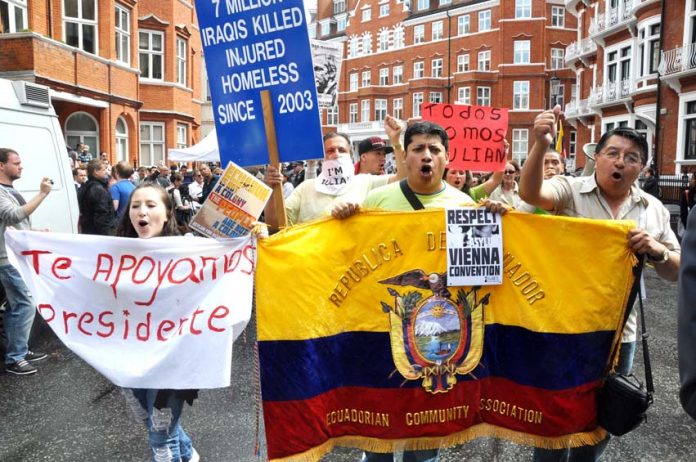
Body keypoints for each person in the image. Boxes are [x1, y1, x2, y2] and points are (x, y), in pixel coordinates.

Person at [332, 122, 506, 462]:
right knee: (379, 434)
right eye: (418, 149)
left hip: (438, 340)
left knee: (425, 440)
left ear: (447, 158)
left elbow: (480, 277)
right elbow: (350, 259)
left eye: (435, 149)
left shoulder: (465, 207)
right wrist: (343, 218)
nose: (427, 156)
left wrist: (499, 222)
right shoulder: (377, 200)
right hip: (385, 330)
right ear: (405, 156)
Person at [520, 106, 680, 461]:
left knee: (602, 415)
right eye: (613, 153)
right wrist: (539, 144)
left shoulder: (653, 209)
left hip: (620, 335)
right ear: (598, 157)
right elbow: (531, 194)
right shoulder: (570, 191)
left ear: (643, 169)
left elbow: (676, 271)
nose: (620, 162)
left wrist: (657, 251)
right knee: (554, 415)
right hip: (563, 328)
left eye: (631, 158)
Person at [115, 183, 200, 462]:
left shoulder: (189, 250)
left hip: (175, 360)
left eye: (151, 205)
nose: (142, 211)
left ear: (167, 214)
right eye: (136, 205)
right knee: (149, 419)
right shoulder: (113, 252)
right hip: (133, 356)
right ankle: (188, 454)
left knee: (160, 436)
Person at [0, 148, 52, 375]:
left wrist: (34, 232)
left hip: (16, 257)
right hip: (6, 260)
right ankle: (15, 358)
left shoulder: (8, 189)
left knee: (15, 306)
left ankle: (18, 348)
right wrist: (42, 194)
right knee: (25, 304)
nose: (21, 166)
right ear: (1, 165)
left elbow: (13, 225)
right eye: (16, 163)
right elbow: (13, 216)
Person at [78, 159, 117, 235]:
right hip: (99, 234)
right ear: (95, 171)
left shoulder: (86, 186)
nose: (106, 172)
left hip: (88, 231)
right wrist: (107, 236)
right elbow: (102, 216)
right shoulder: (98, 189)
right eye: (103, 169)